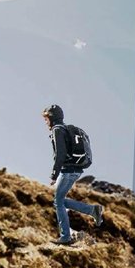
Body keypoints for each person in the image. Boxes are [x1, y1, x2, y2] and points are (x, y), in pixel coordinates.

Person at [43, 104, 104, 246]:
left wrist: (54, 174)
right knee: (59, 200)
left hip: (68, 171)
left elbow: (60, 154)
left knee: (58, 202)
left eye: (46, 118)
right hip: (75, 170)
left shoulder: (57, 130)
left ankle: (65, 237)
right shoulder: (64, 129)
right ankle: (93, 210)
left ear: (52, 118)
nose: (45, 122)